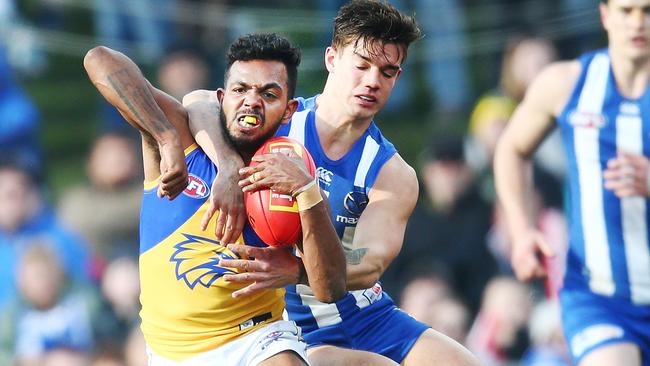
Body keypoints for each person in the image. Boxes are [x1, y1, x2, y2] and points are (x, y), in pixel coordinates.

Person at [187, 1, 479, 365]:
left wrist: (295, 269)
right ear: (331, 59)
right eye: (362, 66)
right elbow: (197, 102)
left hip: (364, 317)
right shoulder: (280, 120)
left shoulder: (394, 174)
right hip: (279, 323)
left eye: (387, 72)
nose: (373, 81)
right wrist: (229, 165)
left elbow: (369, 263)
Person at [83, 33, 347, 366]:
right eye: (240, 90)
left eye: (269, 94)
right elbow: (98, 59)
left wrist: (308, 195)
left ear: (288, 111)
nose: (251, 101)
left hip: (256, 338)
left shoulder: (293, 175)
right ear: (221, 97)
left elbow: (332, 288)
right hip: (169, 352)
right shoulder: (183, 140)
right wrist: (166, 139)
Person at [494, 0, 650, 365]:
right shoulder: (566, 83)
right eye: (627, 11)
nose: (637, 23)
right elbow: (511, 149)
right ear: (605, 14)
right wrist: (521, 231)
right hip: (599, 298)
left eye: (648, 11)